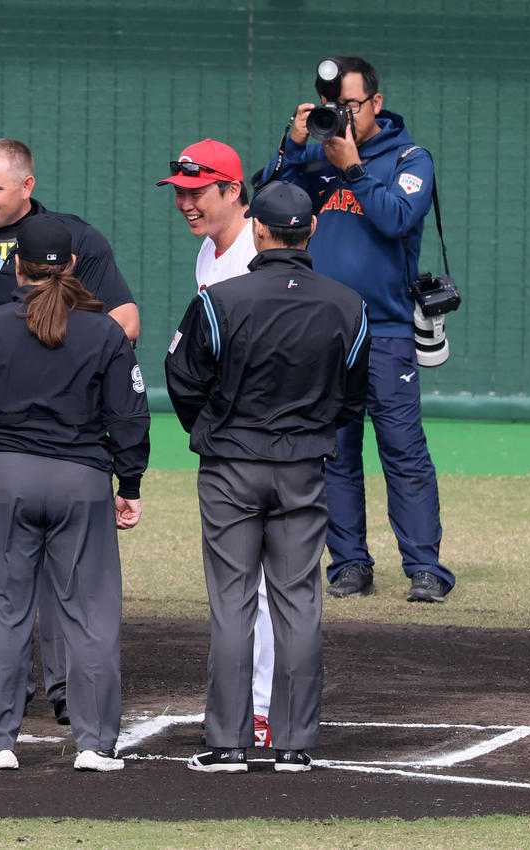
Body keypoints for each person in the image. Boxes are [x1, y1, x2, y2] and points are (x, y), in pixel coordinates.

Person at [0, 138, 140, 725]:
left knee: (60, 575)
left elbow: (125, 318)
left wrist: (45, 356)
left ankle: (66, 686)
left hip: (59, 435)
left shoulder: (77, 237)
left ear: (27, 186)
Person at [165, 181, 370, 774]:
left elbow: (182, 379)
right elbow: (352, 397)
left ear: (258, 229)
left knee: (233, 603)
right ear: (311, 230)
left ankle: (228, 744)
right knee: (298, 601)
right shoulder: (348, 305)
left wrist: (214, 429)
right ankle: (294, 745)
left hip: (231, 467)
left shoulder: (220, 299)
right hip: (304, 468)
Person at [256, 56, 453, 603]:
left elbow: (396, 218)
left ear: (376, 103)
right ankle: (349, 564)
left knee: (403, 451)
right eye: (330, 107)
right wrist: (294, 146)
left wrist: (354, 169)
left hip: (386, 330)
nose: (340, 116)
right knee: (335, 453)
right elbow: (266, 210)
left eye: (349, 105)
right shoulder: (313, 157)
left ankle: (425, 567)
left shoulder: (410, 158)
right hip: (323, 332)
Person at [157, 138, 275, 749]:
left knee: (267, 587)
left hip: (273, 439)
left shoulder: (262, 249)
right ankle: (248, 702)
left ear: (233, 190)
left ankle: (264, 707)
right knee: (242, 584)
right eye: (179, 192)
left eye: (197, 192)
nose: (185, 203)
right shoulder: (211, 251)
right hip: (232, 439)